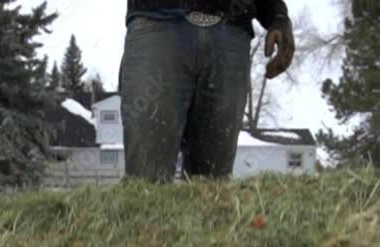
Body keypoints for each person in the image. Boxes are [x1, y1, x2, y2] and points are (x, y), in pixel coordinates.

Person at [119, 1, 295, 182]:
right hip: (157, 21)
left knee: (213, 187)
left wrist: (277, 15)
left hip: (231, 29)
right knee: (146, 182)